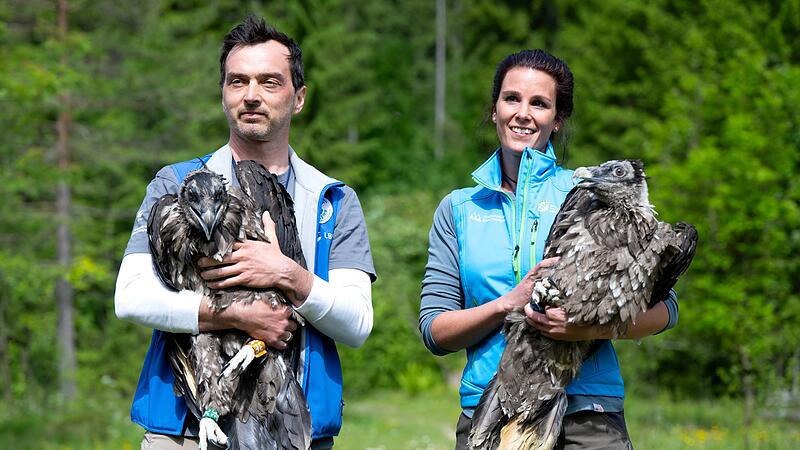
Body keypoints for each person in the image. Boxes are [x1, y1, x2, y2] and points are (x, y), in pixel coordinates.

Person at [115, 15, 375, 450]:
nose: (251, 95)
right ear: (223, 94)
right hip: (184, 431)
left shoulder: (333, 200)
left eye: (270, 82)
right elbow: (131, 297)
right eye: (238, 81)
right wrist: (233, 315)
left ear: (299, 98)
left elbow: (357, 324)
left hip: (294, 430)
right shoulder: (174, 186)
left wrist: (287, 275)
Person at [418, 49, 679, 450]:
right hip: (492, 410)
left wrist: (584, 329)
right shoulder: (458, 210)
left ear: (556, 120)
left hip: (589, 414)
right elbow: (435, 332)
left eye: (539, 103)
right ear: (494, 110)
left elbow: (665, 308)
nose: (523, 113)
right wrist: (508, 303)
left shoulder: (593, 196)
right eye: (512, 99)